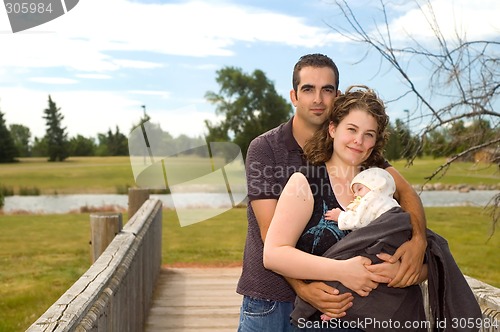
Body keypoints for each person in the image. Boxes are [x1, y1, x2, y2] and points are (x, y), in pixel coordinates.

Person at [264, 85, 481, 331]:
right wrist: (343, 270)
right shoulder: (305, 182)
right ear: (333, 129)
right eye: (352, 129)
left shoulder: (382, 185)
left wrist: (403, 272)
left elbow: (418, 258)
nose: (359, 141)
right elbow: (274, 254)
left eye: (369, 134)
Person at [237, 54, 427, 332]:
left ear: (336, 96)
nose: (318, 99)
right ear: (294, 95)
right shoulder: (266, 149)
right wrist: (306, 288)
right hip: (272, 297)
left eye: (327, 90)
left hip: (335, 304)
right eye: (308, 89)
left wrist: (419, 242)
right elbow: (271, 236)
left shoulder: (359, 154)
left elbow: (405, 192)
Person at [325, 167, 400, 230]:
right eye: (354, 192)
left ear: (376, 185)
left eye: (359, 189)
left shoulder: (372, 198)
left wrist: (340, 216)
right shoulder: (390, 201)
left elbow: (359, 221)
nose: (355, 195)